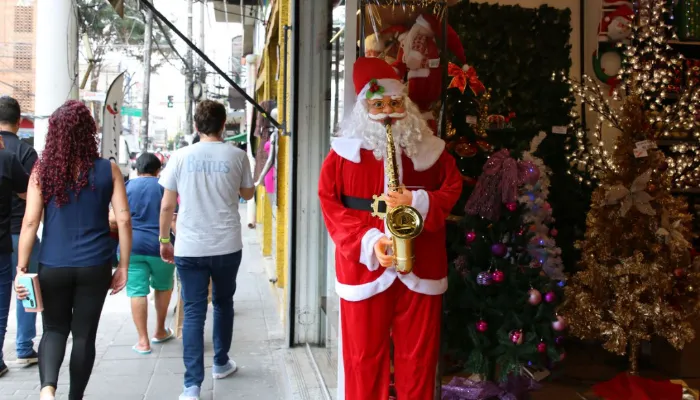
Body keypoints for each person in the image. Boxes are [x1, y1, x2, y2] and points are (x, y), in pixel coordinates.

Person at [318, 57, 463, 400]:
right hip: (365, 267)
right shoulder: (341, 155)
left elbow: (452, 187)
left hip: (421, 263)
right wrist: (367, 241)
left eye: (395, 103)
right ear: (363, 107)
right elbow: (330, 203)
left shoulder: (431, 150)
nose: (387, 112)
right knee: (362, 358)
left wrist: (417, 201)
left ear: (406, 104)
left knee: (419, 359)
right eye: (378, 104)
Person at [14, 100, 132, 400]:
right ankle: (74, 398)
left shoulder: (42, 171)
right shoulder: (109, 169)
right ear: (88, 132)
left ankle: (47, 390)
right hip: (95, 265)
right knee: (83, 335)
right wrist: (124, 266)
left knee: (53, 330)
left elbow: (30, 222)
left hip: (53, 264)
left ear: (54, 133)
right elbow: (124, 219)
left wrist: (22, 268)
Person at [158, 100, 255, 400]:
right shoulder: (237, 156)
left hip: (190, 246)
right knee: (224, 303)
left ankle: (191, 386)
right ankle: (221, 362)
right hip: (227, 245)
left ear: (196, 126)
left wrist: (164, 241)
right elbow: (248, 193)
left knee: (193, 311)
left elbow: (167, 205)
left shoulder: (180, 156)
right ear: (224, 125)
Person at [111, 153, 175, 355]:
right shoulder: (164, 186)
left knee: (137, 291)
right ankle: (159, 330)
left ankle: (143, 341)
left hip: (132, 247)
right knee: (163, 286)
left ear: (137, 169)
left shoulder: (127, 187)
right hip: (161, 246)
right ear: (158, 170)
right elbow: (173, 218)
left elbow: (114, 219)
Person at [0, 96, 40, 366]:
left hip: (4, 235)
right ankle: (24, 346)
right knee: (27, 287)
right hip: (22, 232)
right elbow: (34, 194)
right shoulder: (27, 151)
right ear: (18, 121)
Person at [0, 135, 29, 378]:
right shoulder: (8, 157)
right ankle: (16, 351)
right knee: (5, 302)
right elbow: (27, 193)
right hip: (7, 238)